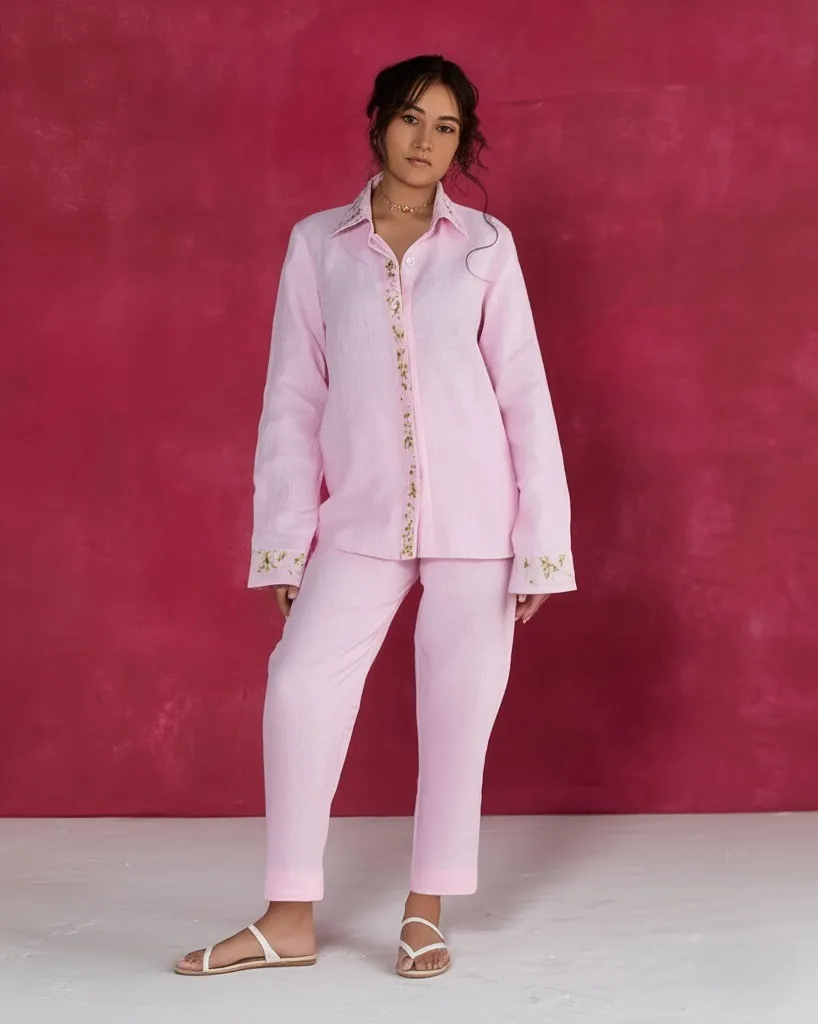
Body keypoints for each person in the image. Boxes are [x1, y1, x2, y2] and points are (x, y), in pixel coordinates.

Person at [175, 53, 575, 981]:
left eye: (446, 127)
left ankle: (425, 909)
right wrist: (285, 542)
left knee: (457, 711)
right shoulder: (318, 244)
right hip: (360, 518)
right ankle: (288, 916)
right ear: (379, 122)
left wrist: (541, 547)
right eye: (410, 118)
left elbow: (524, 394)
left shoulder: (486, 246)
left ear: (462, 143)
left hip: (478, 520)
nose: (425, 141)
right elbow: (293, 394)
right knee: (299, 684)